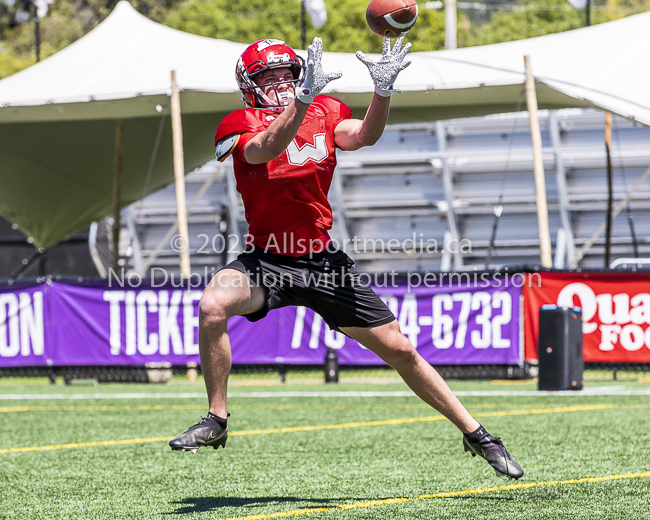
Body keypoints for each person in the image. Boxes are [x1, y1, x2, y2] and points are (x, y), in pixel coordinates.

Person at [168, 36, 524, 480]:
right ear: (249, 85)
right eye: (268, 76)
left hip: (321, 263)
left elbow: (364, 136)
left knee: (402, 350)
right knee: (212, 305)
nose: (280, 83)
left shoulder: (324, 109)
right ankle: (216, 420)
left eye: (287, 74)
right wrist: (299, 101)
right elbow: (265, 149)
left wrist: (383, 92)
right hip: (268, 260)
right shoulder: (238, 121)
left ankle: (478, 434)